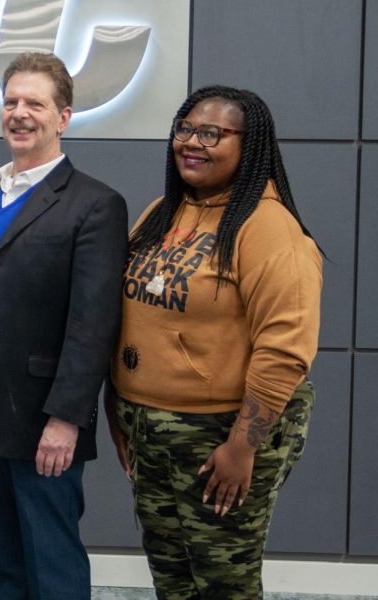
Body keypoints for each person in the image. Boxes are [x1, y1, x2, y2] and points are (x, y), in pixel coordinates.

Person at [106, 85, 321, 598]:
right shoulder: (163, 212)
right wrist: (121, 410)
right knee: (172, 580)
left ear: (251, 146)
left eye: (211, 133)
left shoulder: (268, 229)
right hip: (151, 430)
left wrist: (242, 447)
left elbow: (285, 350)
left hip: (221, 436)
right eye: (184, 129)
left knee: (224, 585)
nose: (191, 142)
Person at [0, 51, 127, 600]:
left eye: (35, 104)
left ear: (63, 118)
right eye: (11, 101)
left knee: (51, 561)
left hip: (44, 417)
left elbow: (93, 324)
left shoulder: (94, 205)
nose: (20, 113)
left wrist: (66, 418)